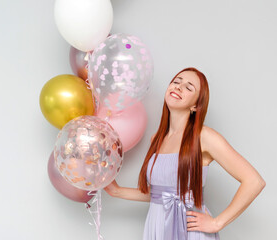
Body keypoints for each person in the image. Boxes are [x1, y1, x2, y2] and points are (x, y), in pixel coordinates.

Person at [104, 67, 266, 240]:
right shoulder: (156, 139)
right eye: (176, 82)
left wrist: (217, 223)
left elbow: (254, 181)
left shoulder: (204, 137)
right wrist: (117, 191)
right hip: (157, 228)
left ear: (196, 105)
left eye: (189, 88)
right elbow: (161, 193)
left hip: (190, 231)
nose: (179, 87)